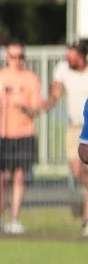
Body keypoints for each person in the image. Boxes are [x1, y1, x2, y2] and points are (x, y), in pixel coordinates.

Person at [0, 42, 45, 234]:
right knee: (2, 177)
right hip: (3, 134)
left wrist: (22, 105)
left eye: (20, 57)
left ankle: (14, 218)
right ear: (7, 57)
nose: (16, 61)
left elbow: (37, 107)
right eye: (13, 56)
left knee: (19, 176)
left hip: (24, 133)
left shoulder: (30, 79)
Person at [48, 39, 88, 236]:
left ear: (82, 57)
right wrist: (48, 101)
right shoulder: (63, 69)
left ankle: (87, 219)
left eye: (71, 56)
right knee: (78, 171)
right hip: (74, 127)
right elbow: (55, 91)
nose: (67, 59)